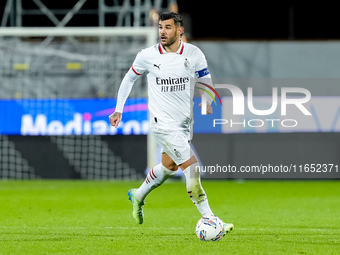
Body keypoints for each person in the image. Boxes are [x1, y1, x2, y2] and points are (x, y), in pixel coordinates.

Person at [109, 12, 233, 235]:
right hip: (161, 123)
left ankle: (138, 195)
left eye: (167, 27)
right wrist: (119, 109)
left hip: (184, 122)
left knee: (169, 167)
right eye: (160, 27)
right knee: (192, 169)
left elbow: (204, 77)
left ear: (179, 30)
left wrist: (207, 99)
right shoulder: (147, 55)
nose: (162, 32)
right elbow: (129, 78)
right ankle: (211, 219)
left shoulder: (194, 53)